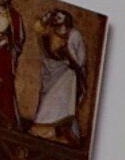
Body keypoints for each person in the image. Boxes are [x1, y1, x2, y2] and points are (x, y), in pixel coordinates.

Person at [30, 9, 89, 138]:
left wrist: (72, 63)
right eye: (55, 16)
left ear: (66, 19)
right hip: (51, 72)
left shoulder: (74, 34)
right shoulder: (50, 33)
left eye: (60, 16)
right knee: (47, 100)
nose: (56, 18)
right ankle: (45, 131)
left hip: (68, 74)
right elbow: (37, 29)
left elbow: (80, 57)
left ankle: (62, 132)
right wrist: (45, 19)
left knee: (61, 102)